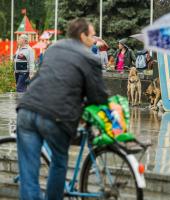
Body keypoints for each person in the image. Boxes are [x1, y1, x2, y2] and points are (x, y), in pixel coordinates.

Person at [16, 18, 108, 199]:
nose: (95, 39)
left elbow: (44, 77)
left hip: (27, 110)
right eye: (92, 35)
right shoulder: (90, 58)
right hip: (56, 117)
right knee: (59, 162)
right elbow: (98, 97)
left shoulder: (54, 48)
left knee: (28, 175)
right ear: (82, 36)